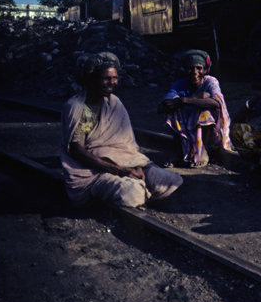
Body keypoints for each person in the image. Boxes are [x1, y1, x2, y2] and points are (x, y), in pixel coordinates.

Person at [60, 52, 183, 208]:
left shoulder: (113, 103)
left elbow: (127, 145)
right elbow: (77, 151)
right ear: (91, 79)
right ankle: (127, 189)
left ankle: (136, 186)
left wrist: (136, 164)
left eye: (115, 78)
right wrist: (119, 170)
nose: (112, 83)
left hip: (124, 163)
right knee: (132, 194)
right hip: (93, 171)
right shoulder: (81, 109)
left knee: (171, 180)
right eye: (106, 78)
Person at [157, 49, 233, 168]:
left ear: (205, 70)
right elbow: (164, 105)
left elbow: (217, 103)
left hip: (208, 131)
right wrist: (198, 98)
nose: (195, 72)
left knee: (205, 111)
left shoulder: (210, 82)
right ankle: (179, 153)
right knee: (172, 113)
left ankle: (203, 152)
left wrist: (184, 100)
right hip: (187, 123)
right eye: (191, 68)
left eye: (199, 68)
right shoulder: (181, 84)